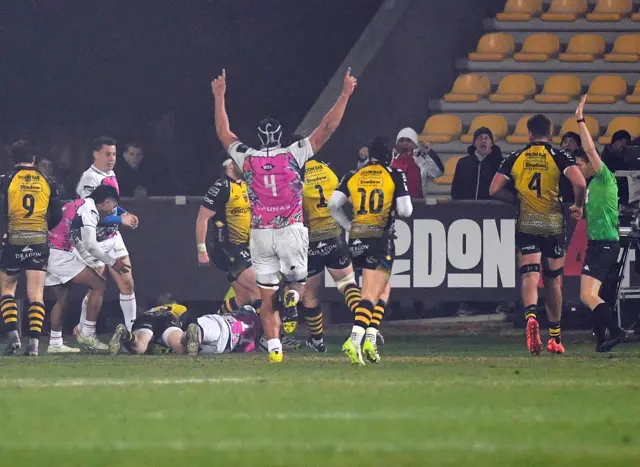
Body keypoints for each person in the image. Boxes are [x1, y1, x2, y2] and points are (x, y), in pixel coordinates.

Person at [211, 67, 357, 363]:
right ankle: (291, 295)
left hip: (261, 233)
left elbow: (223, 133)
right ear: (279, 136)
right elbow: (326, 128)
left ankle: (275, 348)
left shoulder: (247, 157)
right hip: (291, 228)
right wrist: (344, 94)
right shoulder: (295, 153)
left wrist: (219, 96)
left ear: (259, 137)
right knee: (298, 285)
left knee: (266, 297)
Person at [489, 114, 587, 356]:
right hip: (553, 224)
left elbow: (493, 189)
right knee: (554, 280)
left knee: (530, 275)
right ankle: (555, 337)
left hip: (527, 224)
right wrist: (578, 205)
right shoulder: (559, 155)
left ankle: (530, 317)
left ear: (529, 134)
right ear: (550, 133)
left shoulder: (515, 157)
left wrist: (515, 200)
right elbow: (580, 183)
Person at [329, 136, 413, 365]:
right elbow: (405, 210)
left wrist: (348, 226)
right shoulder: (394, 173)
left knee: (382, 289)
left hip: (356, 240)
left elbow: (332, 204)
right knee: (369, 295)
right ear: (389, 155)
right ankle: (354, 339)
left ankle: (371, 337)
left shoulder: (353, 175)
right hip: (380, 239)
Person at [46, 185, 130, 353]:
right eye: (113, 207)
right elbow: (91, 244)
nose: (113, 211)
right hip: (59, 254)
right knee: (98, 284)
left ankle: (55, 343)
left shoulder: (80, 204)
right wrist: (113, 262)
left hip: (50, 250)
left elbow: (75, 237)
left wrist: (88, 259)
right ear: (105, 202)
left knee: (62, 298)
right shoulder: (89, 211)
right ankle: (88, 333)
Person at [0, 140, 63, 356]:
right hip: (38, 240)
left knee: (7, 290)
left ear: (12, 159)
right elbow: (58, 215)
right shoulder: (48, 181)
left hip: (14, 240)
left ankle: (13, 336)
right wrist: (44, 228)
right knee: (36, 294)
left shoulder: (6, 181)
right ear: (34, 159)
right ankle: (34, 344)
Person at [300, 144, 362, 353]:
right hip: (335, 237)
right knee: (347, 284)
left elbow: (299, 211)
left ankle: (317, 341)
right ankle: (364, 326)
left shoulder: (296, 176)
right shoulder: (328, 172)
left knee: (310, 294)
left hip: (312, 241)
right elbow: (343, 198)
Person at [574, 95, 624, 352]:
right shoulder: (593, 185)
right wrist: (579, 210)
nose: (578, 167)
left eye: (580, 163)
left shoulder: (604, 177)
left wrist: (580, 120)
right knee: (590, 295)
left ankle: (614, 332)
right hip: (600, 243)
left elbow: (591, 149)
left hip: (604, 243)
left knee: (587, 294)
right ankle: (603, 337)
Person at [75, 136, 139, 334]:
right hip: (94, 240)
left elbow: (109, 204)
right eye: (107, 154)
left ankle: (132, 332)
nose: (111, 158)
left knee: (127, 282)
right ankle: (85, 330)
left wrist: (123, 213)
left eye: (113, 154)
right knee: (97, 286)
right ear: (95, 154)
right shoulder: (89, 179)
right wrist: (121, 220)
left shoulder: (111, 173)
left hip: (112, 237)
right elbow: (89, 215)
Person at [195, 159, 260, 313]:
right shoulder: (220, 187)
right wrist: (201, 249)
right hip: (226, 246)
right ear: (229, 165)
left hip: (243, 246)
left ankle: (216, 322)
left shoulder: (245, 184)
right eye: (241, 161)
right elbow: (202, 218)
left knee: (243, 297)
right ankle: (267, 335)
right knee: (260, 289)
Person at [109, 295, 262, 356]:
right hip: (166, 320)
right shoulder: (174, 308)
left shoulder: (151, 310)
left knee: (140, 345)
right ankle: (189, 335)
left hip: (144, 319)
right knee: (182, 346)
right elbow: (187, 317)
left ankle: (125, 334)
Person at [451, 127, 503, 200]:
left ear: (491, 144)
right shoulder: (463, 163)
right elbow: (455, 189)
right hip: (467, 207)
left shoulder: (500, 163)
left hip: (491, 208)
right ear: (474, 144)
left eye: (486, 138)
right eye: (479, 138)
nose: (483, 141)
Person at [391, 128, 443, 199]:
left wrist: (428, 152)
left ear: (415, 144)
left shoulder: (422, 162)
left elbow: (438, 173)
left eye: (408, 140)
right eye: (402, 140)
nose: (405, 143)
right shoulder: (390, 161)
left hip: (417, 203)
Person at [559, 132, 583, 204]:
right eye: (565, 142)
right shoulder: (555, 161)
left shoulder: (582, 164)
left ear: (579, 146)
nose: (567, 145)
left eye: (572, 142)